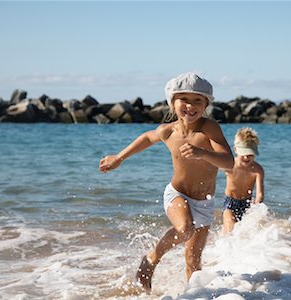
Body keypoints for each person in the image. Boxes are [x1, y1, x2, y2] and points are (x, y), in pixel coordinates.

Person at [99, 72, 234, 292]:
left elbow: (229, 162)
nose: (190, 106)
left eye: (197, 101)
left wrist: (202, 153)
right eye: (184, 100)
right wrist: (119, 158)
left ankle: (193, 296)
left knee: (193, 262)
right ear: (172, 103)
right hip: (177, 194)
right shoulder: (168, 131)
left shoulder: (209, 128)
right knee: (184, 228)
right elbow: (147, 137)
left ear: (206, 105)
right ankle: (151, 259)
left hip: (205, 203)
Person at [222, 127, 264, 234]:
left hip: (247, 204)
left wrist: (256, 206)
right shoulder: (229, 165)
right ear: (236, 150)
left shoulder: (258, 170)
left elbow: (260, 194)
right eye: (243, 154)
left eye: (250, 155)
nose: (246, 157)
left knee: (245, 234)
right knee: (231, 229)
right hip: (230, 203)